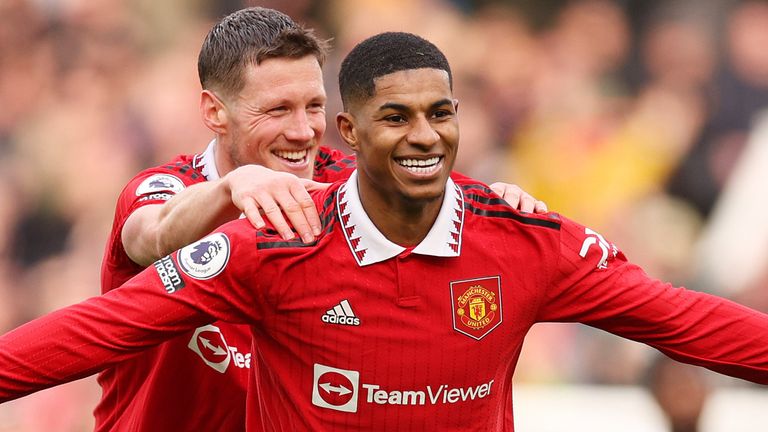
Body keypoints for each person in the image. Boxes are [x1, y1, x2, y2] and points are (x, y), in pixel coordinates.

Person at [3, 31, 765, 431]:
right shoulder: (267, 240)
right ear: (353, 131)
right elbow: (99, 321)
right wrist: (232, 189)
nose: (423, 136)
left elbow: (688, 320)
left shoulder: (525, 241)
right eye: (394, 117)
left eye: (441, 114)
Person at [96, 7, 546, 432]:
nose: (303, 130)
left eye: (313, 106)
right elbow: (149, 236)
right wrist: (229, 190)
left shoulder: (346, 187)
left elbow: (444, 201)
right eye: (277, 110)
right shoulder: (165, 186)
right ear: (215, 112)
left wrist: (497, 206)